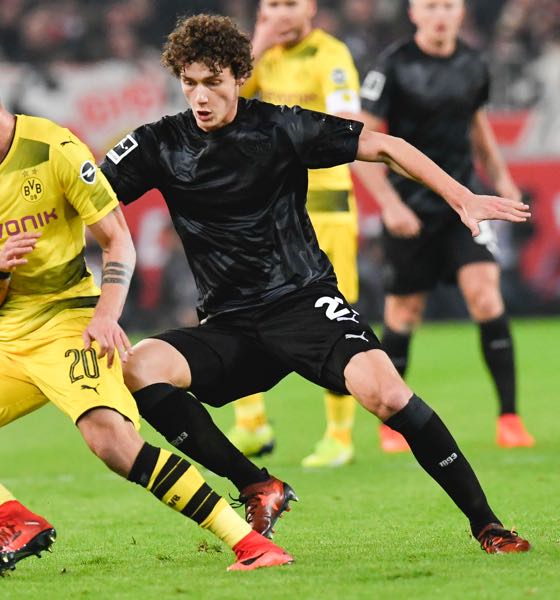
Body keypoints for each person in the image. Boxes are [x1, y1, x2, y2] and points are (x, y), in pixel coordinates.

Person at [101, 14, 531, 554]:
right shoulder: (159, 143)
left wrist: (461, 196)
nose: (201, 96)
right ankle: (258, 485)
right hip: (231, 325)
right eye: (190, 82)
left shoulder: (280, 126)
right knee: (140, 367)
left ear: (239, 76)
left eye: (213, 81)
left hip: (304, 302)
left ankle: (487, 524)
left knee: (388, 392)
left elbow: (388, 146)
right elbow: (86, 193)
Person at [0, 41, 293, 577]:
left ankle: (249, 544)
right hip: (10, 343)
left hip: (73, 324)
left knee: (112, 442)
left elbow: (118, 240)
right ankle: (11, 518)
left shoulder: (54, 148)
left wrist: (106, 315)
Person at [355, 0, 534, 451]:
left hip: (464, 206)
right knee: (404, 315)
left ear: (460, 14)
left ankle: (509, 418)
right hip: (412, 210)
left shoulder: (474, 64)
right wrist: (391, 204)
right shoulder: (392, 66)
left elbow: (479, 129)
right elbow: (364, 141)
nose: (440, 14)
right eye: (430, 6)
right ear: (415, 12)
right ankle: (391, 422)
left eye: (448, 6)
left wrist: (503, 178)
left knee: (485, 295)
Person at [227, 0, 363, 468]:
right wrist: (258, 44)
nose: (282, 12)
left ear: (312, 7)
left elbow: (349, 123)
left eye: (290, 3)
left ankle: (339, 435)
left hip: (326, 207)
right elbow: (223, 103)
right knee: (241, 302)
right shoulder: (262, 55)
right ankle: (250, 423)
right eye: (272, 4)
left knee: (336, 311)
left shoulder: (332, 55)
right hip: (270, 205)